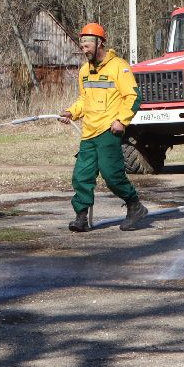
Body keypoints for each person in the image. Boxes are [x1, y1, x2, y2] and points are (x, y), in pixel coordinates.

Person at [58, 22, 150, 232]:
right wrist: (71, 112)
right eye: (82, 44)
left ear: (100, 43)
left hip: (109, 131)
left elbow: (134, 97)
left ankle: (135, 206)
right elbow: (84, 99)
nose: (84, 48)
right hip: (88, 133)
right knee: (81, 176)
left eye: (87, 44)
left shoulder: (119, 66)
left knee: (112, 175)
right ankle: (81, 218)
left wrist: (122, 121)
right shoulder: (84, 71)